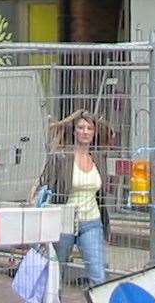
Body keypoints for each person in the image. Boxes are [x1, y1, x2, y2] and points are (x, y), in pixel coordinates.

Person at [34, 109, 111, 287]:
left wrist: (90, 116)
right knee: (55, 274)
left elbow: (109, 131)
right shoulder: (61, 157)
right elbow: (45, 184)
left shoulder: (98, 158)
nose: (85, 132)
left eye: (89, 128)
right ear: (73, 131)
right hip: (63, 222)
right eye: (81, 127)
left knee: (98, 275)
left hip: (91, 222)